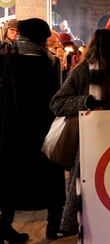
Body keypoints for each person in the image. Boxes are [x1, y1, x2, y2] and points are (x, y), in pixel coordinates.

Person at [50, 28, 110, 236]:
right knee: (90, 206)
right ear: (106, 46)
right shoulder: (83, 71)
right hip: (89, 151)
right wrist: (85, 102)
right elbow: (57, 104)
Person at [0, 18, 66, 242]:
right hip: (41, 130)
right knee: (52, 180)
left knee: (11, 182)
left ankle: (4, 227)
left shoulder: (11, 58)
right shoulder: (45, 62)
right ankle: (53, 225)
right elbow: (51, 99)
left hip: (12, 131)